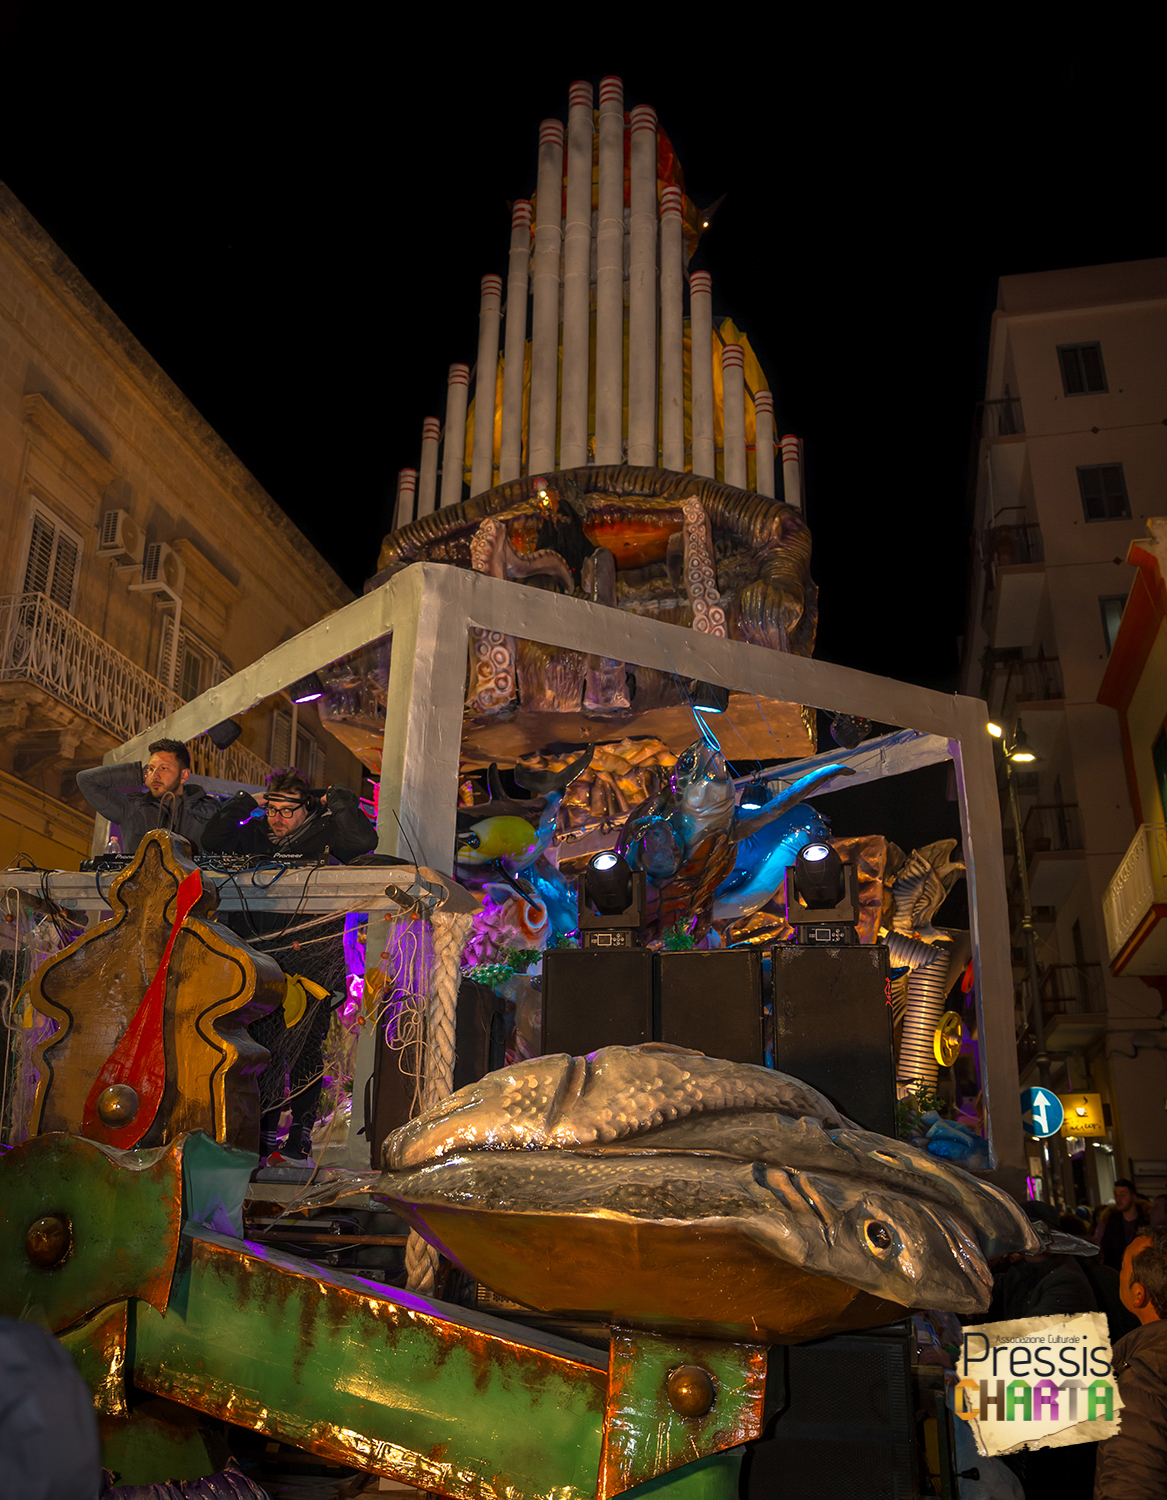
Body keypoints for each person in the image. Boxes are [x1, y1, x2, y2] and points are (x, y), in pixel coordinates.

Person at [201, 767, 377, 1163]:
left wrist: (337, 797)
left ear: (307, 809)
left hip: (311, 956)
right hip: (261, 957)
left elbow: (363, 842)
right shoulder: (255, 835)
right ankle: (262, 1131)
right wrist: (247, 802)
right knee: (262, 1046)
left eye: (287, 811)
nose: (277, 819)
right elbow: (211, 839)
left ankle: (300, 1132)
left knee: (305, 1048)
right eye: (272, 809)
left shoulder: (325, 834)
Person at [1094, 1227, 1167, 1498]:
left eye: (1123, 1267)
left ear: (1139, 1294)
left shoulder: (1141, 1387)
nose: (1118, 1274)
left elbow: (1130, 1488)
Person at [76, 738, 218, 854]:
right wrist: (138, 773)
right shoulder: (131, 807)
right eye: (151, 768)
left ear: (184, 775)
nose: (155, 775)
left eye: (164, 768)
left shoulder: (210, 810)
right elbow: (86, 779)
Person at [1096, 1180, 1151, 1270]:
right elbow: (1107, 1252)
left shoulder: (1146, 1221)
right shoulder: (1112, 1222)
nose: (1118, 1199)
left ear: (1133, 1198)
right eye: (1116, 1195)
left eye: (1123, 1195)